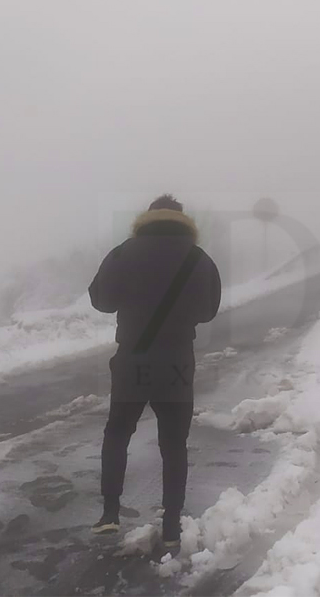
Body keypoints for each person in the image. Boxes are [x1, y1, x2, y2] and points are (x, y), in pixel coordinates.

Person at [87, 194, 222, 555]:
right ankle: (172, 526)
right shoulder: (198, 258)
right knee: (173, 445)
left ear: (147, 219)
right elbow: (209, 310)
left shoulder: (123, 252)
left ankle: (110, 513)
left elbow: (101, 300)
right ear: (183, 221)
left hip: (133, 359)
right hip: (177, 362)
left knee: (117, 434)